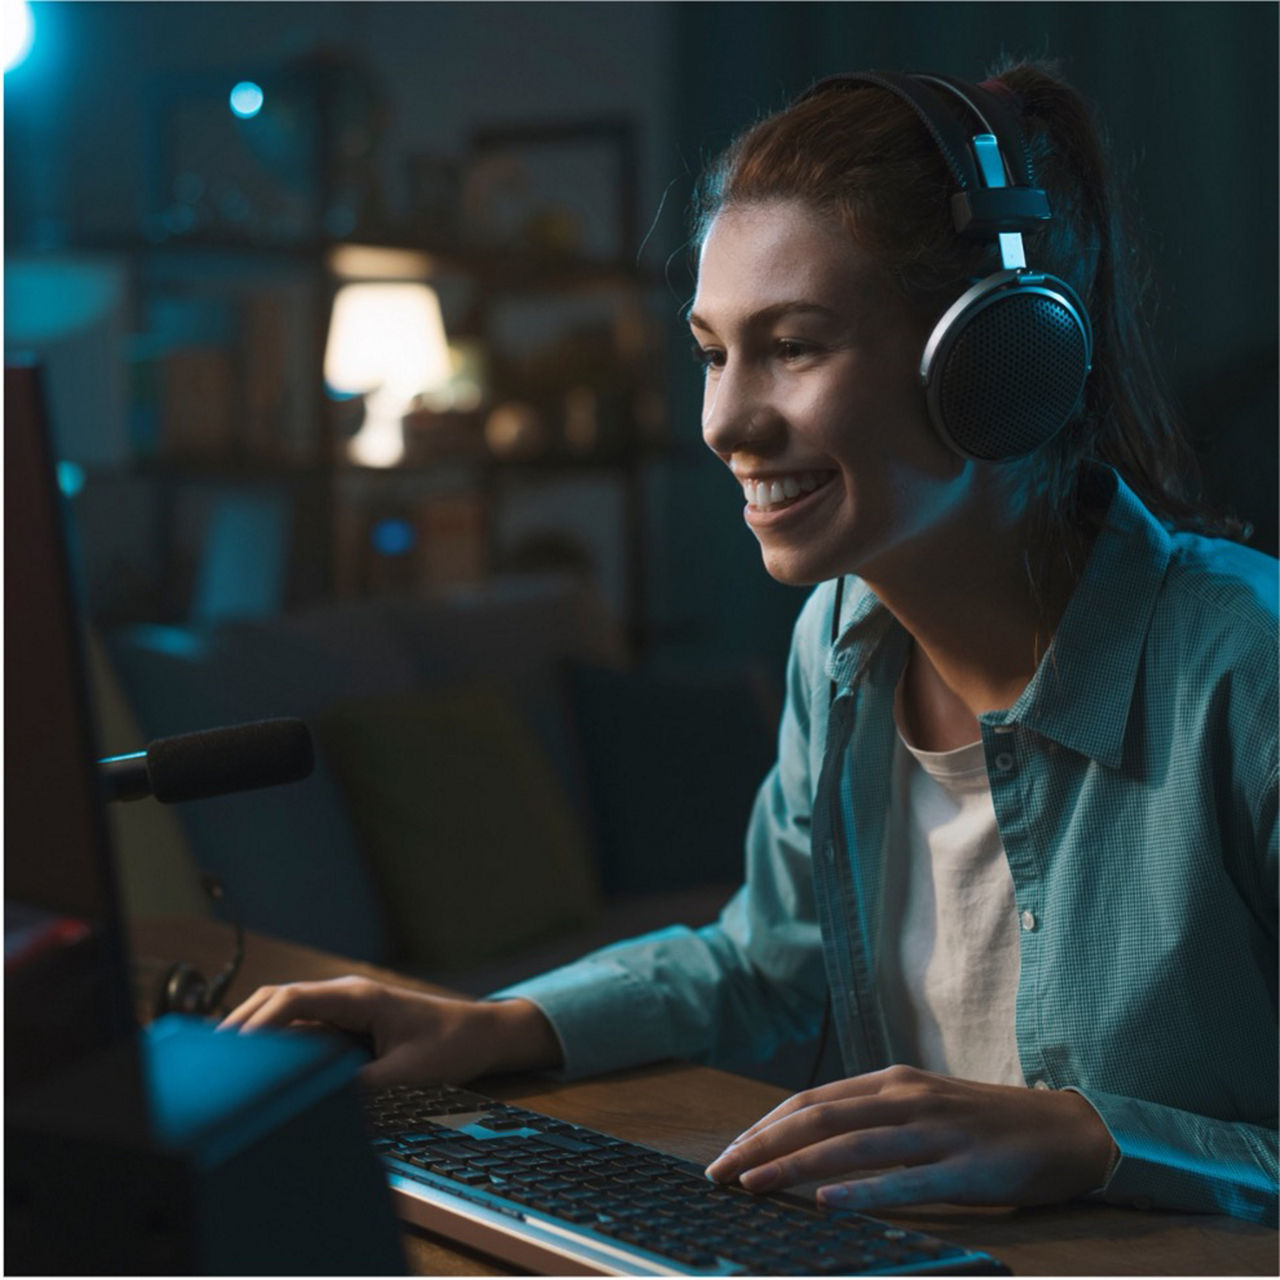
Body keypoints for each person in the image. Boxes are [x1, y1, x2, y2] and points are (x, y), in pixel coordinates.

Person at [221, 59, 1277, 1225]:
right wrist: (492, 1024)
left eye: (793, 344)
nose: (722, 421)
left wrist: (1092, 1137)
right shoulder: (839, 637)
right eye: (713, 351)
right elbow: (767, 957)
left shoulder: (1241, 667)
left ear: (996, 359)